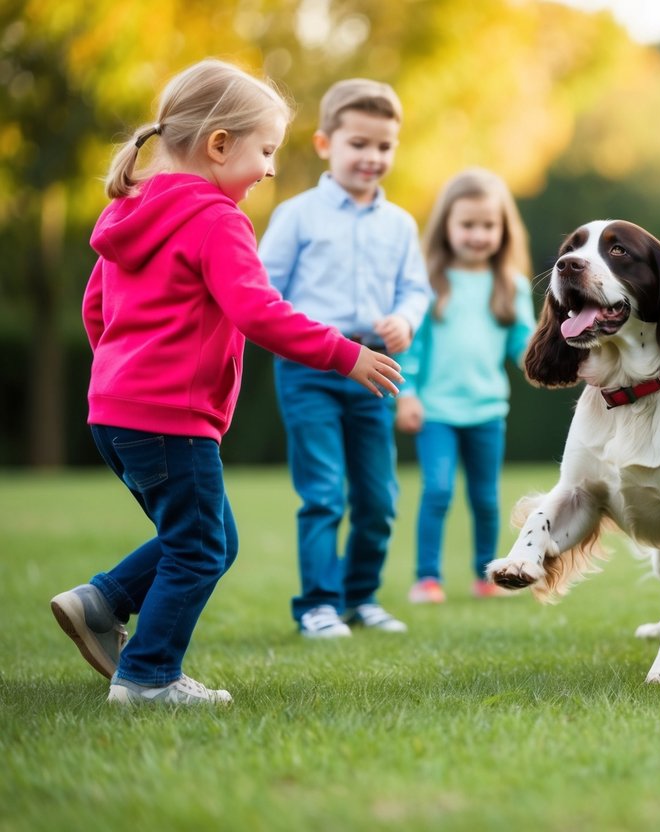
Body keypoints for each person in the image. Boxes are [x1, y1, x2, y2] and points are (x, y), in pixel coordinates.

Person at [49, 59, 402, 707]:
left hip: (116, 413)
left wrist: (122, 373)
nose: (270, 169)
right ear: (218, 144)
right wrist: (342, 354)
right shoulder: (216, 219)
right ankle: (148, 677)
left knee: (208, 537)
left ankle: (100, 602)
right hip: (169, 419)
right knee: (199, 548)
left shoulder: (132, 213)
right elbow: (257, 310)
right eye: (265, 151)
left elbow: (95, 310)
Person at [259, 79, 432, 638]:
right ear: (324, 144)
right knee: (324, 492)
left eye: (383, 146)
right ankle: (317, 605)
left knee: (379, 498)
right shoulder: (297, 215)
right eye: (359, 143)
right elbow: (262, 289)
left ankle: (361, 597)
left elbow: (416, 290)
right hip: (309, 368)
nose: (372, 157)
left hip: (376, 369)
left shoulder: (400, 224)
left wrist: (405, 319)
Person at [394, 167, 536, 603]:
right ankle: (427, 578)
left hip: (487, 410)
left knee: (486, 498)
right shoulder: (431, 283)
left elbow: (525, 344)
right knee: (437, 490)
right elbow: (411, 347)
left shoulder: (509, 285)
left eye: (488, 225)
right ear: (447, 227)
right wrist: (407, 392)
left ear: (503, 230)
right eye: (468, 225)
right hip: (436, 410)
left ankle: (485, 576)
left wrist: (554, 362)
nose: (478, 234)